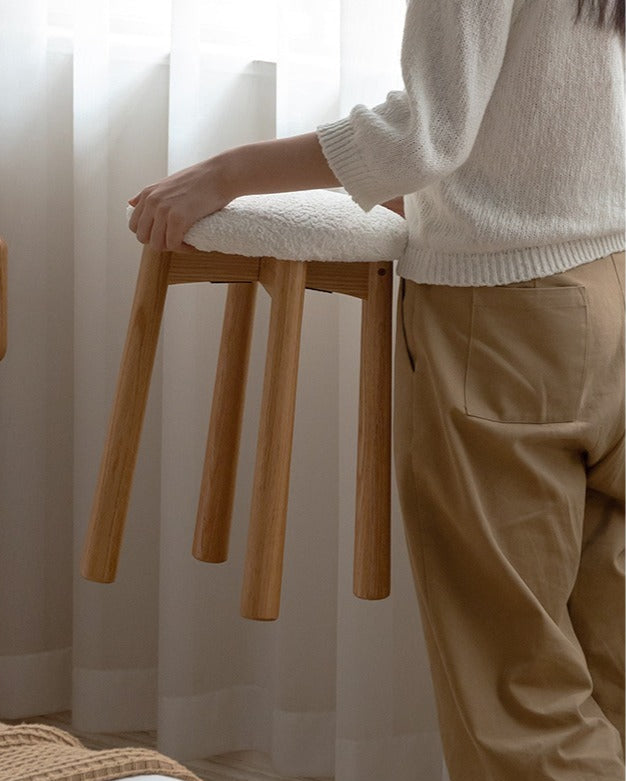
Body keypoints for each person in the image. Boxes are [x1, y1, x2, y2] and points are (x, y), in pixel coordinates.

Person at [128, 0, 626, 778]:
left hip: (506, 313)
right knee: (612, 649)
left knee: (515, 681)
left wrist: (222, 173)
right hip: (613, 283)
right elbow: (554, 110)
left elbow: (422, 136)